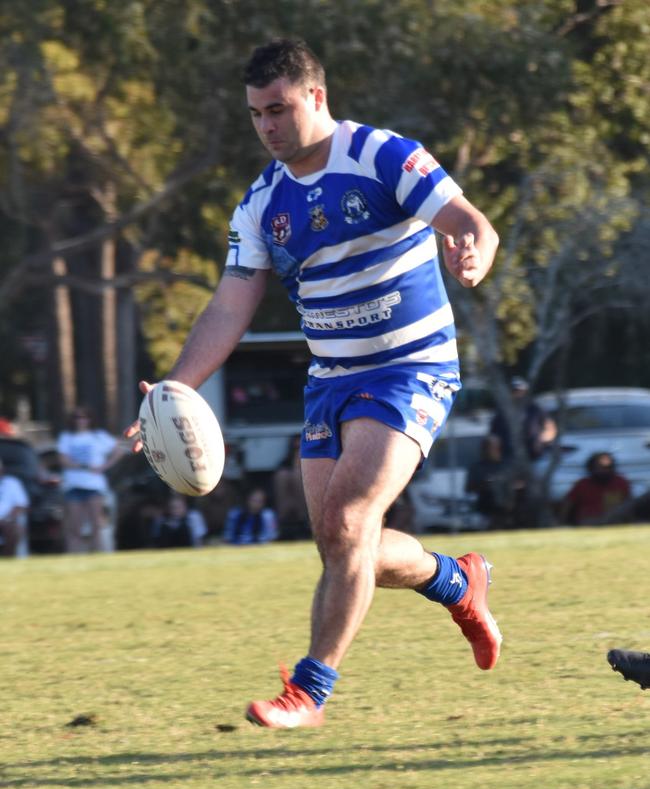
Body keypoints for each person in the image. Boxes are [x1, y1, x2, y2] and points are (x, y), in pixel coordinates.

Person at [126, 37, 502, 728]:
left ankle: (309, 692)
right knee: (340, 541)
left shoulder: (384, 155)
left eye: (279, 109)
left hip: (410, 367)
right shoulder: (262, 203)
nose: (267, 125)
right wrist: (172, 390)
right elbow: (231, 302)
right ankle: (457, 580)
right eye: (255, 114)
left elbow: (468, 219)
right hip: (331, 377)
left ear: (316, 97)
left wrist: (474, 249)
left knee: (351, 522)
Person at [57, 407, 127, 553]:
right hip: (73, 485)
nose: (81, 421)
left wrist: (104, 466)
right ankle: (74, 557)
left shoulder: (98, 436)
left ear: (89, 419)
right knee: (75, 527)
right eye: (77, 417)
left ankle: (97, 555)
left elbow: (119, 450)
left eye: (84, 417)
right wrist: (85, 466)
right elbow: (63, 460)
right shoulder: (67, 437)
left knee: (96, 525)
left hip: (94, 486)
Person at [490, 377, 557, 463]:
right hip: (508, 458)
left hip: (532, 457)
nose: (518, 394)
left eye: (520, 391)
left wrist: (539, 440)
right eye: (514, 391)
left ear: (526, 392)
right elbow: (493, 436)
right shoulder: (502, 412)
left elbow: (550, 428)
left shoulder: (535, 409)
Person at [559, 451, 631, 526]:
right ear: (592, 468)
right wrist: (562, 522)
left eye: (608, 468)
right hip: (588, 522)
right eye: (600, 468)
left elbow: (628, 504)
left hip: (614, 522)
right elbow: (567, 504)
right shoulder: (582, 484)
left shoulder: (621, 482)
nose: (604, 471)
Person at [465, 434, 516, 529]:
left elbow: (516, 484)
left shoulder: (506, 467)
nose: (492, 450)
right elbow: (468, 488)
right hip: (485, 511)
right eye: (488, 447)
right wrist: (486, 484)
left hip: (506, 510)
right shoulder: (477, 467)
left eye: (494, 447)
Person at [272, 435, 311, 540]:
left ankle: (304, 522)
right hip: (287, 506)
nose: (298, 451)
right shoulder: (284, 467)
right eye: (295, 448)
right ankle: (284, 525)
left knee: (297, 476)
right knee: (283, 476)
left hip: (306, 502)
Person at [0, 457, 29, 556]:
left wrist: (8, 518)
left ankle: (8, 558)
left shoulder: (12, 483)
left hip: (7, 520)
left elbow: (21, 505)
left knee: (14, 530)